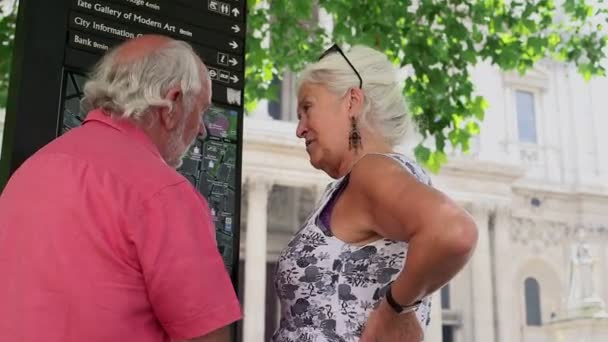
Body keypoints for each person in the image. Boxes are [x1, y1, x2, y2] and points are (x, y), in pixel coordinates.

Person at [0, 35, 241, 342]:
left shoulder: (29, 172)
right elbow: (207, 336)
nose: (203, 128)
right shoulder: (163, 193)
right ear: (172, 103)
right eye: (202, 110)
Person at [272, 44, 478, 342]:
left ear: (352, 101)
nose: (299, 129)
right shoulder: (369, 178)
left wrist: (395, 310)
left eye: (307, 108)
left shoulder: (373, 172)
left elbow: (454, 230)